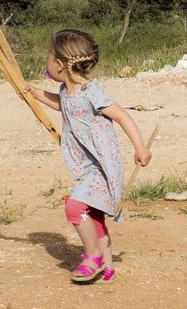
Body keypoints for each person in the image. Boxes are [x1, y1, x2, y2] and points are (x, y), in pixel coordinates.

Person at [25, 29, 151, 283]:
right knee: (93, 214)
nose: (46, 64)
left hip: (101, 165)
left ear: (60, 64)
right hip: (84, 165)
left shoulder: (92, 92)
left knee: (74, 206)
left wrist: (140, 147)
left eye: (49, 58)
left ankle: (91, 255)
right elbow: (65, 105)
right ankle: (106, 264)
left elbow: (122, 115)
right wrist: (38, 95)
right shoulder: (66, 90)